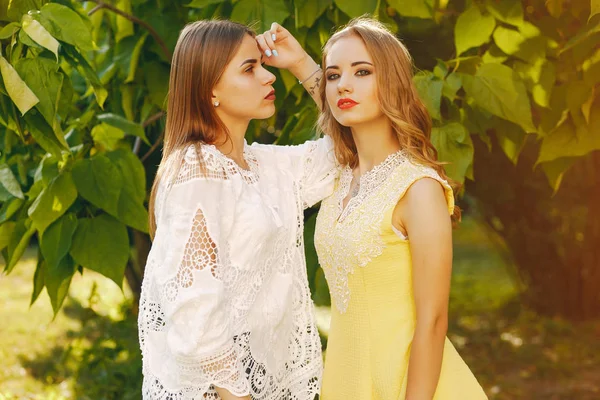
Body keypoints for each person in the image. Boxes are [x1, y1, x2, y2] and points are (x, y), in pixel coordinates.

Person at [137, 20, 338, 400]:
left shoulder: (262, 165)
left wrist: (302, 65)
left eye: (263, 65)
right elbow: (196, 313)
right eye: (249, 68)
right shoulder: (197, 171)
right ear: (210, 88)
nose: (268, 78)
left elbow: (347, 152)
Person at [293, 17, 485, 399]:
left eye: (362, 72)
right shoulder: (340, 177)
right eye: (333, 76)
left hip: (412, 386)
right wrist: (300, 63)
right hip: (347, 382)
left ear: (393, 83)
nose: (343, 84)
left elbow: (433, 321)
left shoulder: (418, 189)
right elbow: (336, 111)